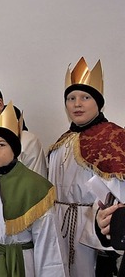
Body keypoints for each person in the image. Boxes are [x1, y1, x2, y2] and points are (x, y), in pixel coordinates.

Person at [0, 102, 67, 276]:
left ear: (14, 149)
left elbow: (49, 245)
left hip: (20, 264)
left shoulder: (35, 187)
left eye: (1, 145)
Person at [49, 57, 125, 277]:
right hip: (59, 226)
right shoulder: (61, 142)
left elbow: (119, 193)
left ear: (98, 102)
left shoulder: (114, 138)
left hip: (92, 230)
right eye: (71, 98)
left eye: (85, 97)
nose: (77, 104)